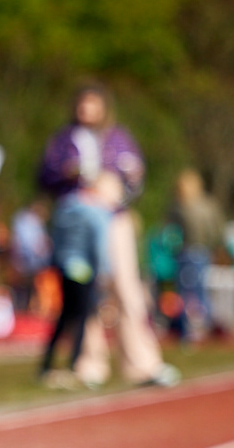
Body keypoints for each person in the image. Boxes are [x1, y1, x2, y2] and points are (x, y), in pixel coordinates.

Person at [37, 84, 178, 387]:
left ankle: (143, 364)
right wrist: (67, 174)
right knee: (85, 292)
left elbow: (135, 178)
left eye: (93, 104)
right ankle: (89, 364)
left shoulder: (117, 138)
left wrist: (119, 186)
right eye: (82, 104)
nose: (86, 110)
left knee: (127, 290)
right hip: (78, 222)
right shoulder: (64, 140)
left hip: (113, 219)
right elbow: (44, 176)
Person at [41, 170, 118, 388]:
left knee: (64, 317)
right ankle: (74, 364)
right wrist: (104, 272)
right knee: (81, 319)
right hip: (83, 269)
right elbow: (99, 245)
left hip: (64, 266)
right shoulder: (97, 212)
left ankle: (46, 364)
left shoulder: (65, 207)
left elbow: (55, 237)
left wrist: (56, 260)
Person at [170, 170, 225, 342]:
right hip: (201, 252)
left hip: (189, 252)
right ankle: (201, 325)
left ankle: (191, 327)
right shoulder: (208, 205)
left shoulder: (181, 207)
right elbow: (217, 229)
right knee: (199, 290)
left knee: (189, 291)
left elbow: (171, 232)